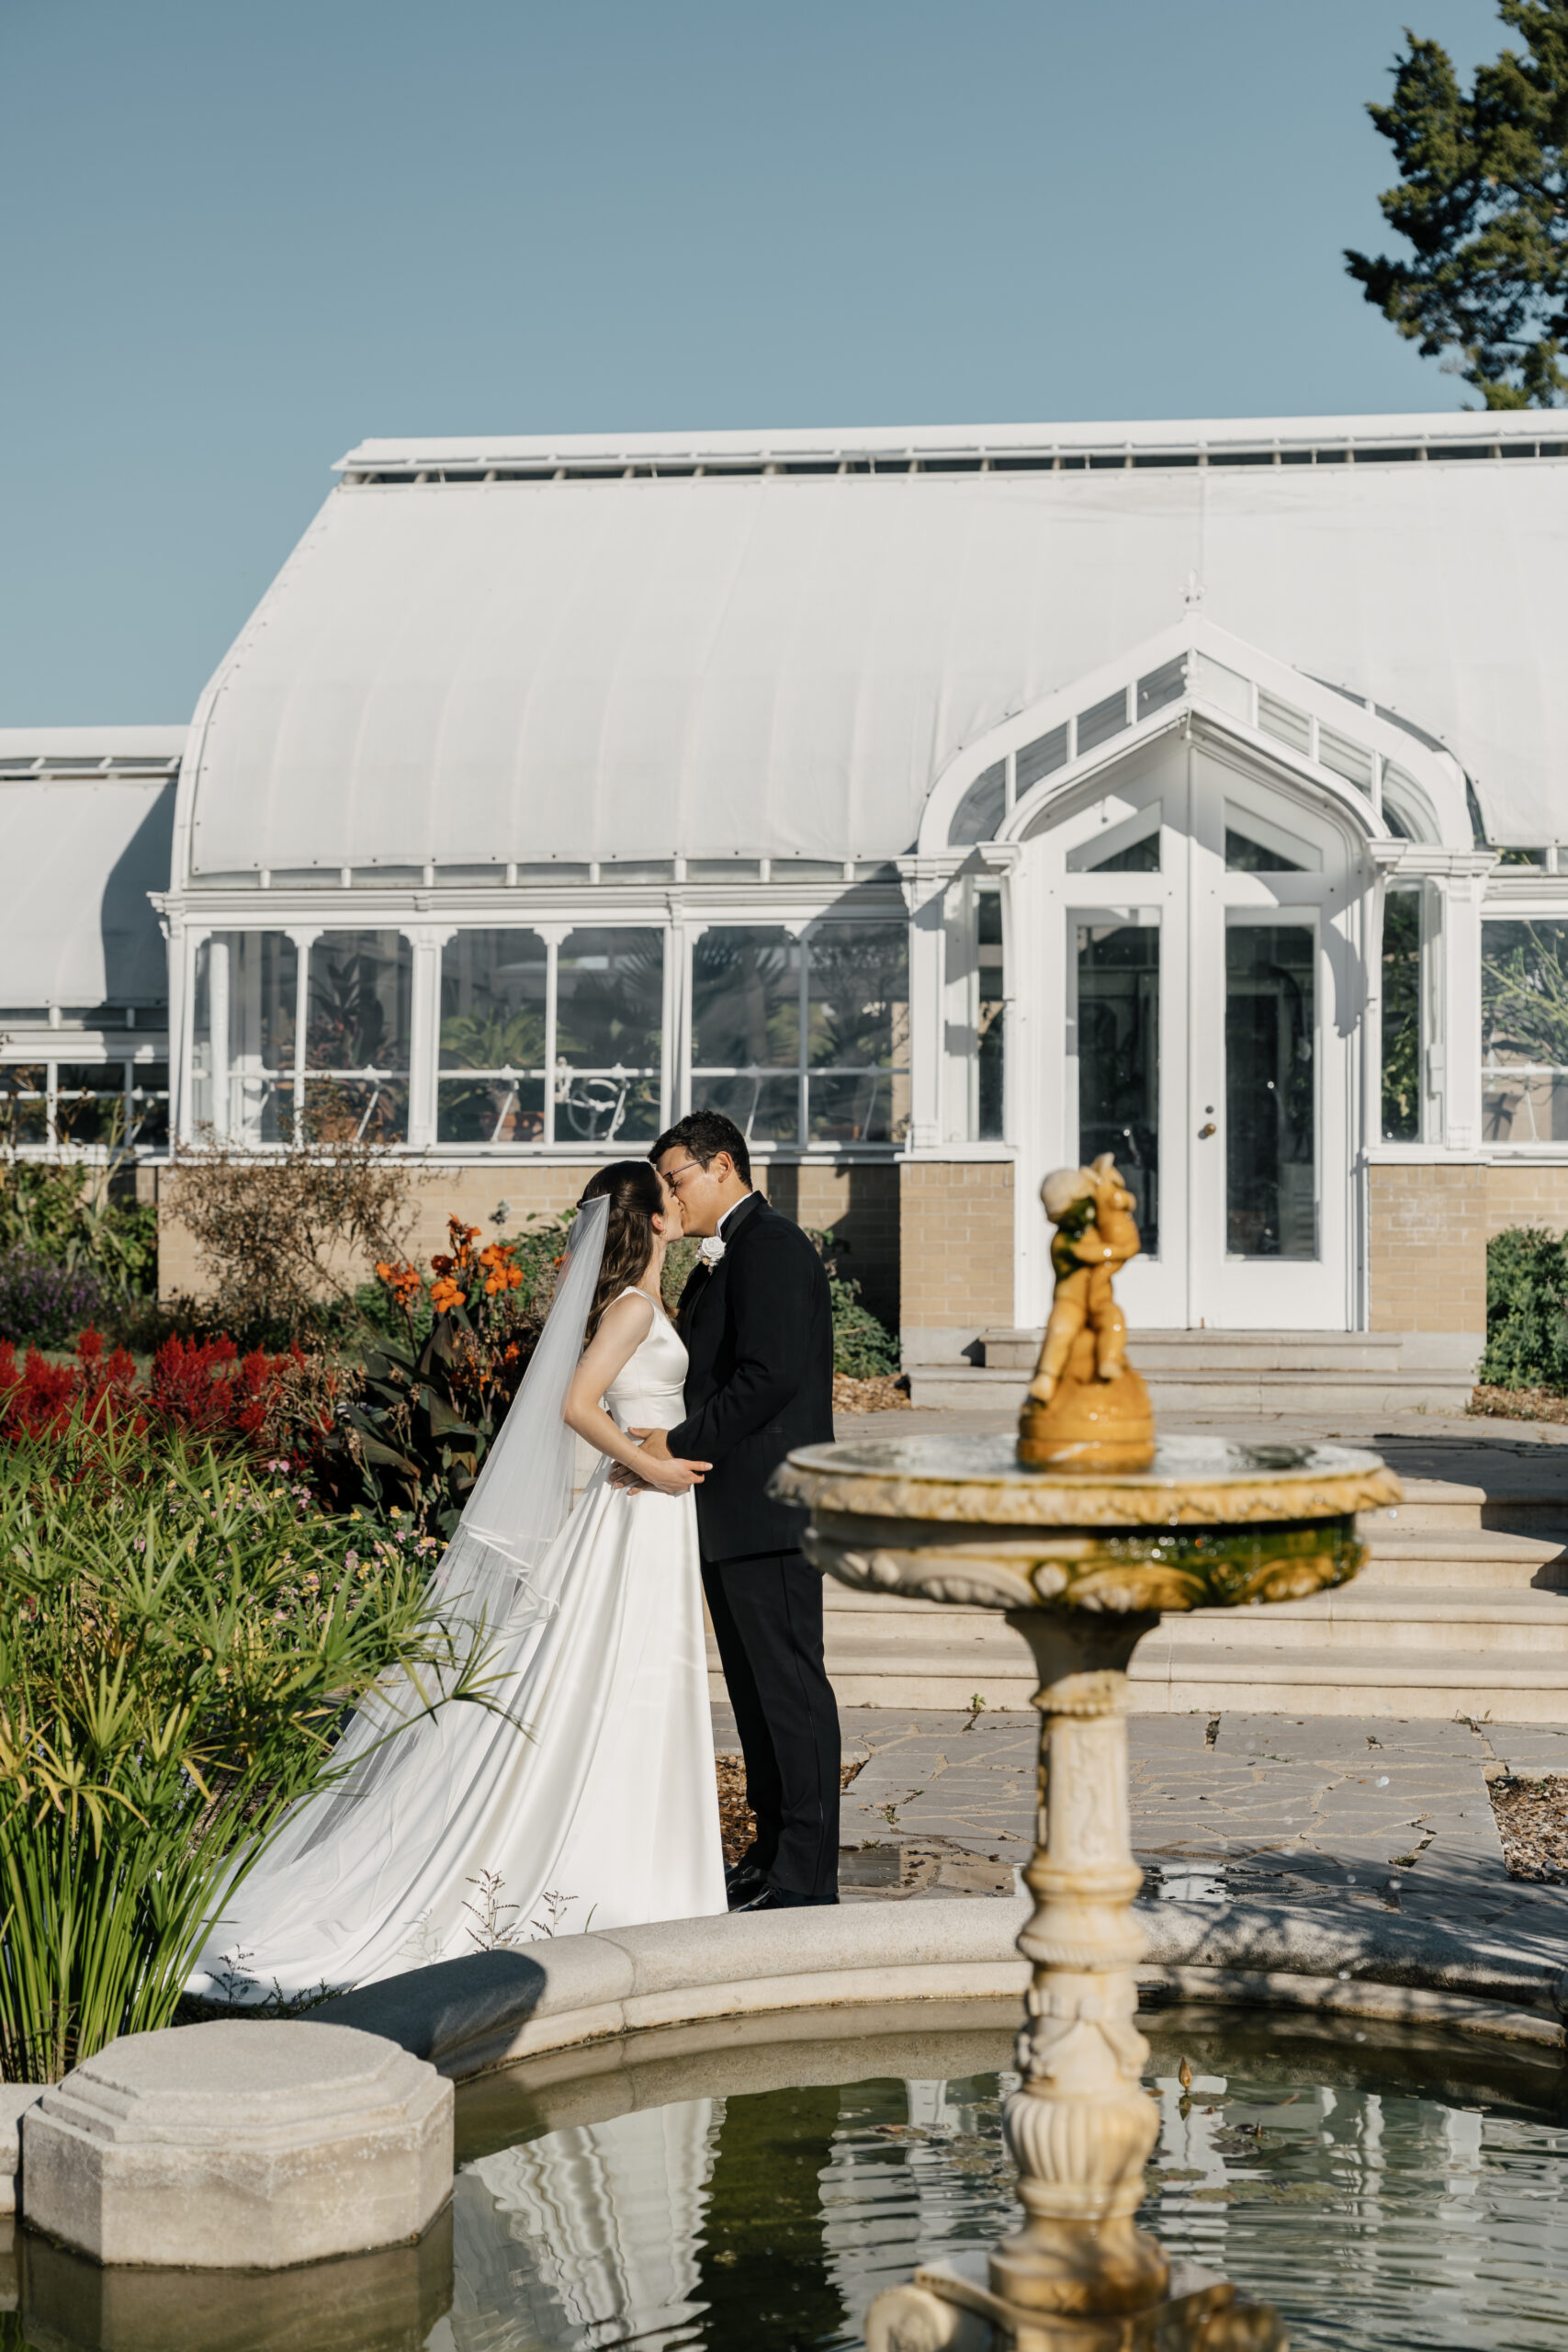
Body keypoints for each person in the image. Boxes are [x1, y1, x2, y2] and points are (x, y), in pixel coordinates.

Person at [188, 1159, 727, 1999]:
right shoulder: (629, 1309)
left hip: (649, 1514)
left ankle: (647, 1867)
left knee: (633, 1679)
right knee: (615, 1675)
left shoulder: (646, 1304)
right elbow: (578, 1405)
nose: (680, 1198)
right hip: (636, 1508)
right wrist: (646, 1466)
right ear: (654, 1220)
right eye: (670, 1192)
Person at [630, 1109, 840, 1911]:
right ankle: (769, 1853)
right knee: (755, 1696)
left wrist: (670, 1446)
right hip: (729, 1509)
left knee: (790, 1690)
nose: (668, 1197)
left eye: (674, 1179)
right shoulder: (718, 1261)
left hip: (771, 1506)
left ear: (722, 1166)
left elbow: (768, 1378)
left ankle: (805, 1877)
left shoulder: (774, 1248)